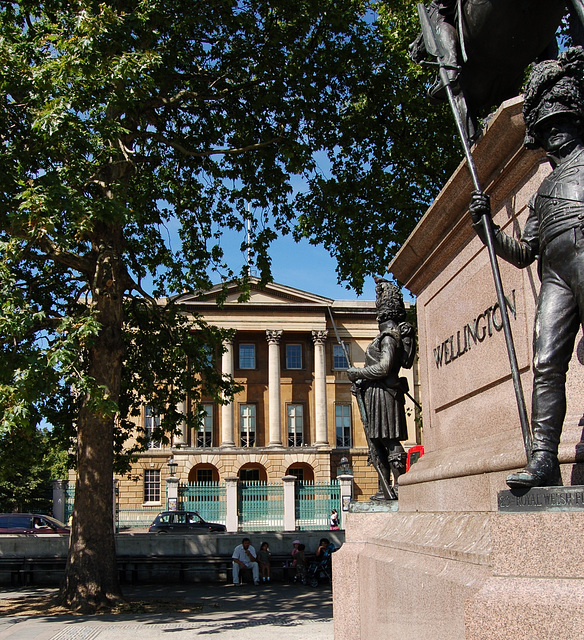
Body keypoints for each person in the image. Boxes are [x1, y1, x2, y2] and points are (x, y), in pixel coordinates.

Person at [469, 47, 584, 488]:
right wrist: (485, 226)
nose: (556, 135)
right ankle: (543, 458)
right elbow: (522, 252)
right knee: (546, 361)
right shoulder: (545, 188)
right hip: (554, 270)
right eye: (548, 128)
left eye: (562, 125)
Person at [347, 278, 416, 499]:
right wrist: (361, 383)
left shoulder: (388, 336)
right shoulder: (390, 335)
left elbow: (385, 367)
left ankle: (399, 487)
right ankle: (384, 489)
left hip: (383, 393)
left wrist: (358, 373)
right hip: (375, 393)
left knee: (389, 439)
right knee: (377, 442)